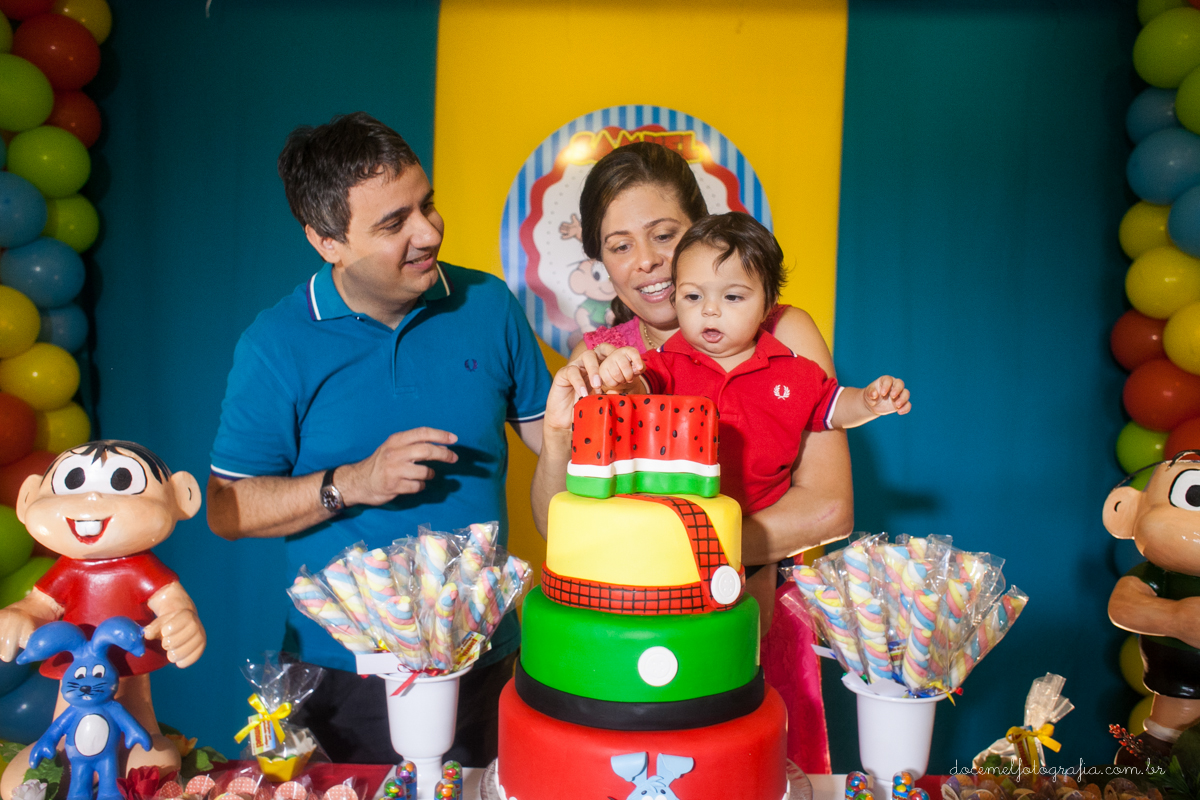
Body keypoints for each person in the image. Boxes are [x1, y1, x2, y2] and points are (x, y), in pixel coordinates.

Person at [207, 112, 551, 766]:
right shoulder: (277, 343)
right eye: (394, 224)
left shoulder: (488, 304)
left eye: (427, 205)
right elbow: (227, 509)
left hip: (487, 662)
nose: (427, 233)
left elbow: (552, 441)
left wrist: (585, 411)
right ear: (325, 241)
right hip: (344, 676)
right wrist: (352, 483)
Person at [527, 141, 854, 772]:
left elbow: (830, 507)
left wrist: (663, 559)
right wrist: (560, 440)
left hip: (759, 621)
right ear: (601, 262)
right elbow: (553, 525)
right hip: (632, 640)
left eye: (664, 234)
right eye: (619, 245)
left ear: (702, 231)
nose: (646, 262)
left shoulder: (783, 334)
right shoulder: (598, 358)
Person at [594, 212, 911, 515]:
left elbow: (832, 406)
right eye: (693, 297)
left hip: (761, 529)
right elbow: (636, 389)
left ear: (768, 305)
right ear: (675, 298)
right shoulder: (665, 363)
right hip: (678, 519)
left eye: (732, 297)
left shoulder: (792, 368)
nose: (710, 311)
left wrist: (869, 402)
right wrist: (621, 374)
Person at [0, 440, 205, 800]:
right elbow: (39, 604)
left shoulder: (144, 570)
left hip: (128, 689)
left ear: (182, 497)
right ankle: (64, 752)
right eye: (74, 480)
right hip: (74, 681)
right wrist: (19, 614)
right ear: (28, 498)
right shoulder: (67, 570)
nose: (91, 500)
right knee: (30, 774)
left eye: (123, 480)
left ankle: (140, 741)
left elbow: (175, 606)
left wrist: (183, 622)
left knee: (152, 760)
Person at [1105, 450, 1200, 764]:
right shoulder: (1157, 575)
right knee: (1158, 754)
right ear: (1125, 510)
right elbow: (1123, 607)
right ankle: (1157, 749)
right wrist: (1175, 619)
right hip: (1177, 690)